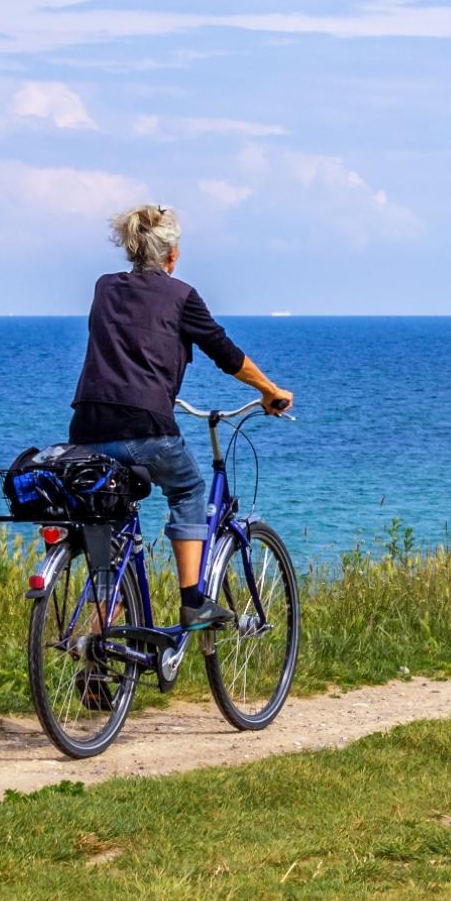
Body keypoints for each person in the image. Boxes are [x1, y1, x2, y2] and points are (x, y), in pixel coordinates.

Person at [69, 204, 293, 629]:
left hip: (86, 428)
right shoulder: (180, 295)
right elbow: (224, 352)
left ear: (132, 249)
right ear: (172, 255)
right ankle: (193, 601)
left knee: (108, 519)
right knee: (188, 488)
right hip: (145, 428)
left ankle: (98, 640)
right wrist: (270, 391)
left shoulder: (103, 288)